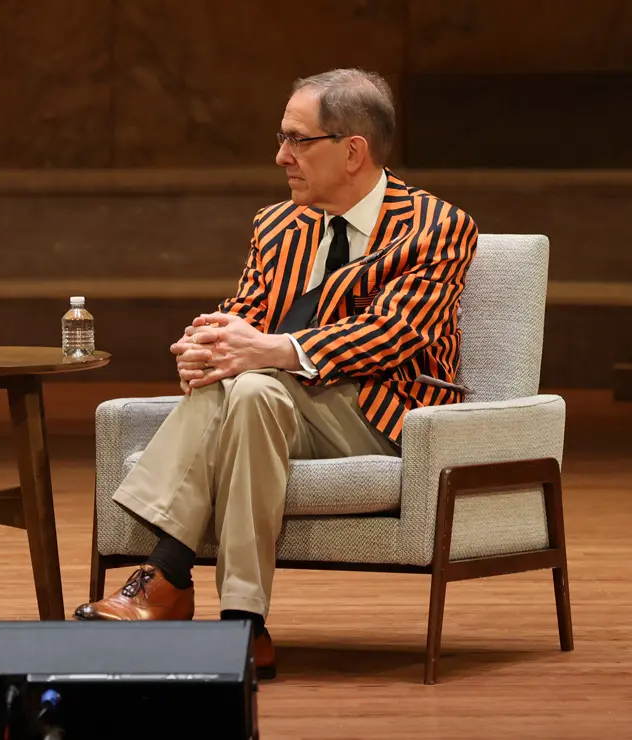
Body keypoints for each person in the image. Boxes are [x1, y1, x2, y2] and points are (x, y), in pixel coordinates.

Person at [73, 69, 478, 679]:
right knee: (253, 390)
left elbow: (396, 333)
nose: (280, 155)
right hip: (275, 407)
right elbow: (246, 316)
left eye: (297, 139)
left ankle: (167, 573)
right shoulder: (277, 224)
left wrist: (269, 349)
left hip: (383, 412)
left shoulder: (436, 225)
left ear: (353, 150)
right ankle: (243, 625)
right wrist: (207, 345)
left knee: (256, 379)